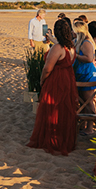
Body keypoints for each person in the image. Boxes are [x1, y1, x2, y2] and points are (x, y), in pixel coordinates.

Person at [27, 18, 77, 155]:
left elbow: (47, 68)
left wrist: (42, 81)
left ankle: (52, 141)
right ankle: (63, 139)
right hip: (68, 79)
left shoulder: (58, 48)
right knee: (64, 109)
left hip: (57, 80)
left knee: (51, 109)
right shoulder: (71, 47)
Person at [72, 17, 96, 113]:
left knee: (88, 101)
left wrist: (75, 56)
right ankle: (84, 124)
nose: (72, 32)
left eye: (73, 30)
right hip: (81, 74)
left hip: (88, 75)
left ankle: (90, 126)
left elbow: (89, 59)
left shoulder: (86, 42)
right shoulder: (78, 41)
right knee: (82, 101)